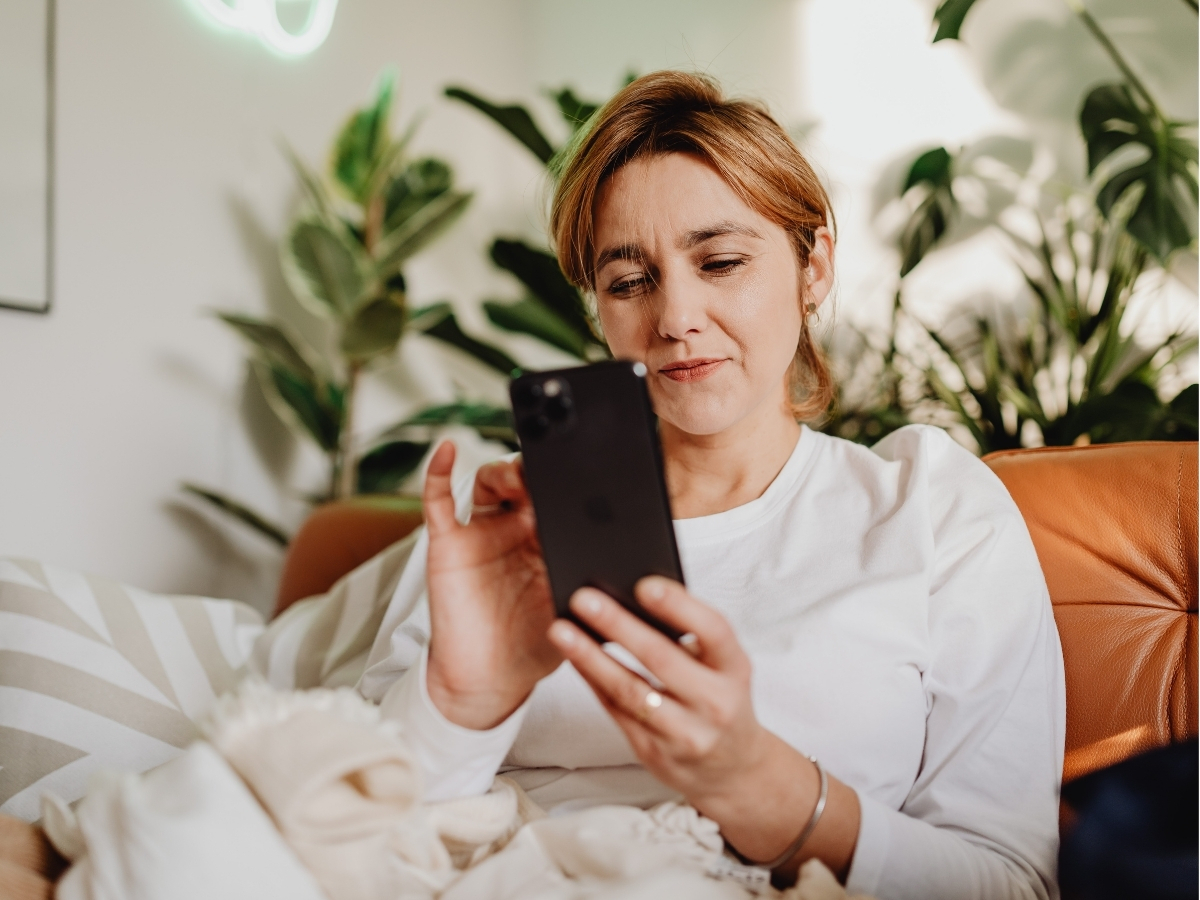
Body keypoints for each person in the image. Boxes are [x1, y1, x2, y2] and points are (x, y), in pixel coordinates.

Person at [358, 71, 1065, 899]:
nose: (675, 318)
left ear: (814, 267)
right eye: (628, 282)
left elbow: (1015, 884)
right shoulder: (509, 520)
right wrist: (458, 700)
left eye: (721, 261)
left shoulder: (930, 507)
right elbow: (356, 840)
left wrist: (758, 787)